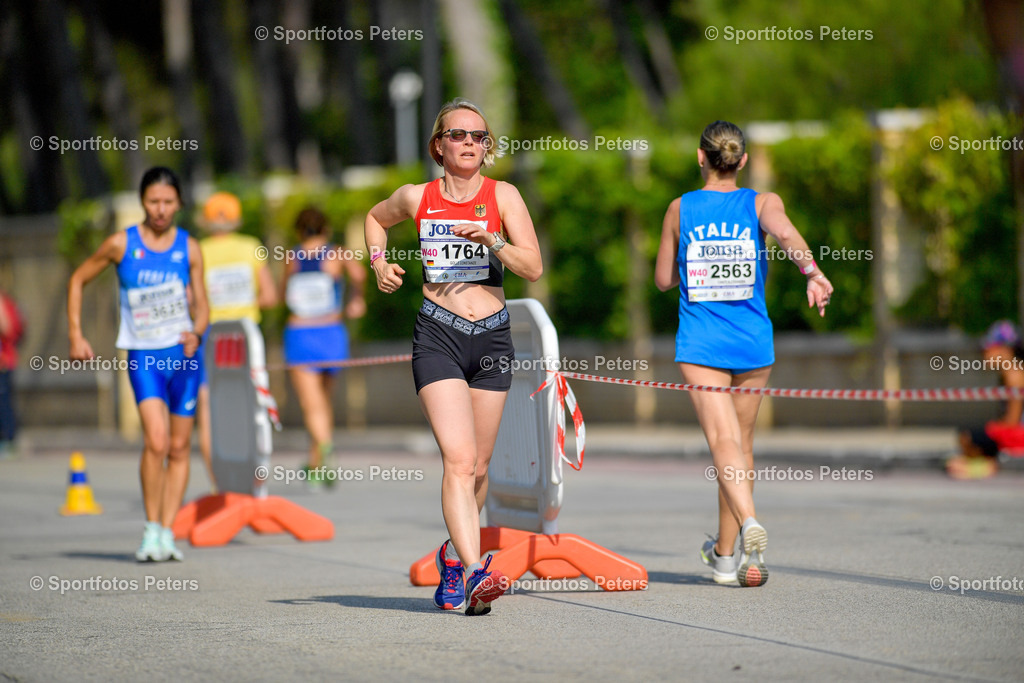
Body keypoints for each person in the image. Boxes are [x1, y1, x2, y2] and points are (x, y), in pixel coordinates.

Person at [364, 98, 542, 615]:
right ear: (437, 146)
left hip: (491, 336)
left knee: (480, 467)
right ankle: (475, 571)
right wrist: (379, 264)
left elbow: (532, 266)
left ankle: (450, 556)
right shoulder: (416, 197)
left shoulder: (503, 195)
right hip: (437, 334)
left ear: (488, 149)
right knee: (459, 461)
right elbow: (375, 220)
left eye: (479, 136)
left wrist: (493, 241)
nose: (470, 142)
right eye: (458, 134)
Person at [654, 121, 832, 587]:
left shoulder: (679, 208)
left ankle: (750, 521)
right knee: (741, 447)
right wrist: (812, 274)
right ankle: (726, 558)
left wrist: (694, 265)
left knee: (721, 441)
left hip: (701, 342)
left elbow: (661, 280)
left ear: (700, 157)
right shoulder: (762, 203)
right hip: (753, 342)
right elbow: (789, 236)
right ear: (743, 161)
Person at [68, 167, 208, 562]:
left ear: (179, 203)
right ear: (141, 202)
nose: (160, 210)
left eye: (167, 202)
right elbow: (78, 279)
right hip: (144, 357)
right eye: (152, 202)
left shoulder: (190, 247)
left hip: (184, 360)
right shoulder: (121, 244)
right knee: (157, 441)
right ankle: (150, 530)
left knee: (180, 448)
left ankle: (167, 531)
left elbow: (202, 304)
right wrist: (76, 334)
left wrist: (197, 331)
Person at [196, 191, 277, 493]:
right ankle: (257, 483)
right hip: (245, 339)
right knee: (253, 403)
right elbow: (269, 296)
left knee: (209, 406)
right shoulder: (250, 247)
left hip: (211, 337)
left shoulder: (198, 250)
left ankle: (220, 484)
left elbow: (192, 302)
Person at [281, 207, 366, 489]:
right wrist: (356, 299)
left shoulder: (292, 256)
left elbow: (284, 293)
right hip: (331, 332)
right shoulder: (336, 253)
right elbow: (360, 275)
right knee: (322, 402)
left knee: (311, 403)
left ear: (298, 230)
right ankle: (316, 463)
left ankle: (325, 448)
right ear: (325, 229)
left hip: (301, 333)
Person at [945, 320, 1024, 480]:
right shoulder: (1009, 375)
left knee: (968, 436)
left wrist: (991, 429)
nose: (985, 354)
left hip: (1019, 436)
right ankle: (988, 464)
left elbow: (1012, 421)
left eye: (989, 349)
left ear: (1004, 349)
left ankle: (988, 466)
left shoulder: (1014, 376)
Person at [0, 289, 24, 457]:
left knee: (3, 401)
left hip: (3, 360)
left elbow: (6, 328)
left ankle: (8, 440)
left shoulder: (3, 302)